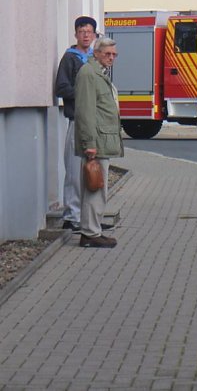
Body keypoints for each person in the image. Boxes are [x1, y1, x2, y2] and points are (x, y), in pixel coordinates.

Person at [75, 37, 124, 248]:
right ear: (96, 53)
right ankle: (89, 233)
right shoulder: (88, 74)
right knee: (94, 187)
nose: (111, 57)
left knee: (97, 187)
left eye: (114, 54)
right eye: (107, 54)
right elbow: (85, 111)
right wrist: (89, 144)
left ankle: (92, 230)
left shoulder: (98, 74)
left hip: (102, 139)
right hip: (96, 142)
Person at [54, 16, 97, 233]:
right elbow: (61, 88)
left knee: (91, 171)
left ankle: (89, 217)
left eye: (89, 31)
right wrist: (83, 95)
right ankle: (72, 215)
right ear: (76, 34)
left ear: (95, 35)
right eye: (82, 31)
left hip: (93, 122)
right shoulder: (70, 59)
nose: (86, 35)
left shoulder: (95, 59)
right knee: (73, 170)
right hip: (76, 119)